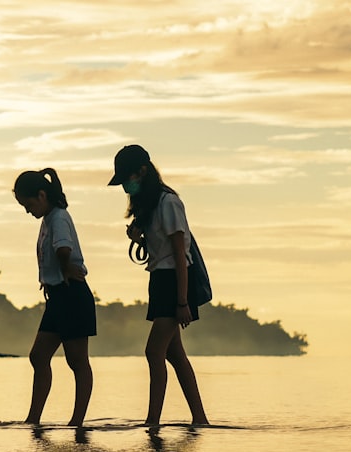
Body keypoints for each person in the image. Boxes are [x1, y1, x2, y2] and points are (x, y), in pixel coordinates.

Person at [108, 145, 209, 426]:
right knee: (174, 354)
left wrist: (182, 302)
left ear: (142, 172)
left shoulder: (168, 202)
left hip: (174, 282)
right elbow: (163, 250)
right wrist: (139, 239)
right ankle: (200, 419)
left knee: (154, 351)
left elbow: (180, 253)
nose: (126, 187)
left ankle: (153, 421)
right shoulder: (150, 206)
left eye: (127, 179)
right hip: (160, 280)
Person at [13, 168, 96, 427]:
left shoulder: (59, 217)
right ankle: (33, 419)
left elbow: (63, 248)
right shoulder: (47, 219)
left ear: (41, 195)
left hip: (72, 295)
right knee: (38, 356)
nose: (28, 211)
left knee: (77, 361)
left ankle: (77, 422)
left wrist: (64, 270)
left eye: (28, 204)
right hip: (58, 297)